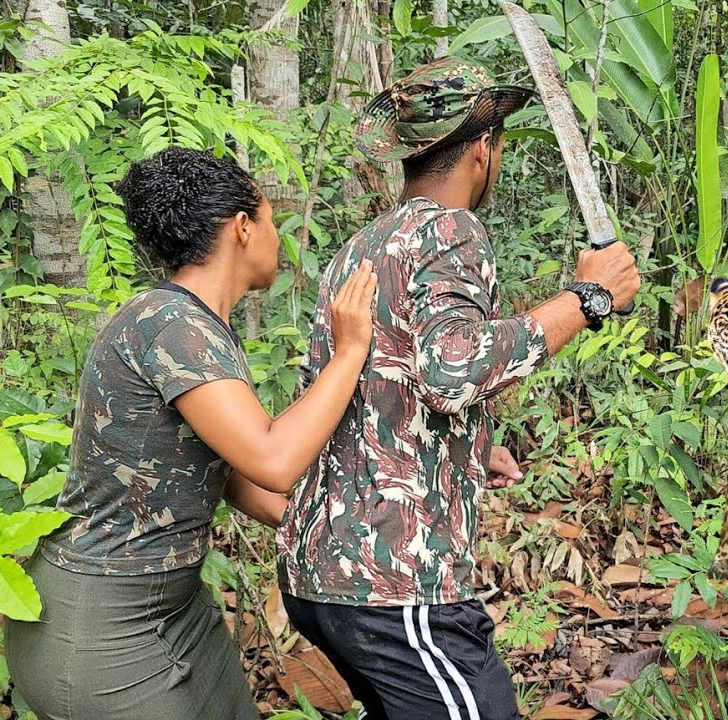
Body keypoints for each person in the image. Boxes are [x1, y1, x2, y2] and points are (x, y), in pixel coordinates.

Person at [276, 57, 641, 720]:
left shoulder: (361, 246)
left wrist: (467, 445)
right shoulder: (451, 230)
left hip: (318, 570)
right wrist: (586, 299)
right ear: (482, 150)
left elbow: (369, 381)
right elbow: (453, 371)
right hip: (390, 586)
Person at [4, 146, 379, 720]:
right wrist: (349, 350)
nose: (280, 238)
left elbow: (233, 478)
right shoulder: (170, 323)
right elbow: (273, 460)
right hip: (103, 628)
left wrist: (354, 528)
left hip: (174, 608)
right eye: (273, 220)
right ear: (243, 227)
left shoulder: (195, 323)